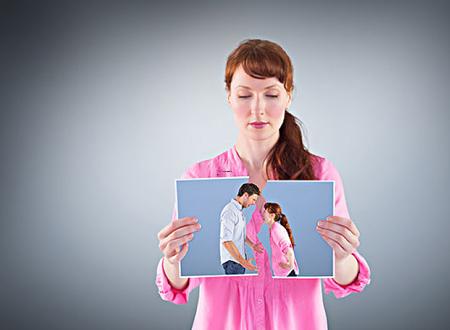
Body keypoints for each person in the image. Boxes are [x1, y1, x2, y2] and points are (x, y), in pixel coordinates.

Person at [156, 39, 371, 329]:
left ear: (288, 96)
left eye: (271, 94)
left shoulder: (319, 173)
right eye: (245, 95)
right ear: (229, 97)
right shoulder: (200, 178)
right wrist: (172, 259)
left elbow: (343, 278)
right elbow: (181, 281)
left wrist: (343, 255)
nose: (258, 109)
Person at [220, 183, 261, 275]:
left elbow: (241, 234)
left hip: (239, 261)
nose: (254, 203)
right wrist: (244, 262)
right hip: (233, 262)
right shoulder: (230, 211)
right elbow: (226, 241)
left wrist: (252, 245)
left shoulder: (239, 211)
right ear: (246, 195)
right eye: (253, 199)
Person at [263, 202, 299, 277]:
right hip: (282, 275)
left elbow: (288, 250)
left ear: (272, 215)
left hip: (287, 274)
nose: (262, 214)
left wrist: (290, 265)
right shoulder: (273, 228)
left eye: (264, 212)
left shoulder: (276, 229)